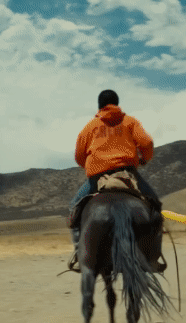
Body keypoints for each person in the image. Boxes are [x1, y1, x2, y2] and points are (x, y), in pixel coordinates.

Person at [68, 89, 164, 272]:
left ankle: (80, 254)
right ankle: (153, 257)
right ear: (117, 104)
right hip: (128, 174)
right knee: (155, 207)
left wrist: (90, 165)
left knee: (74, 208)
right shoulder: (130, 122)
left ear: (99, 106)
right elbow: (147, 144)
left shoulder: (90, 126)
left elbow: (79, 156)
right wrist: (144, 159)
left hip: (98, 178)